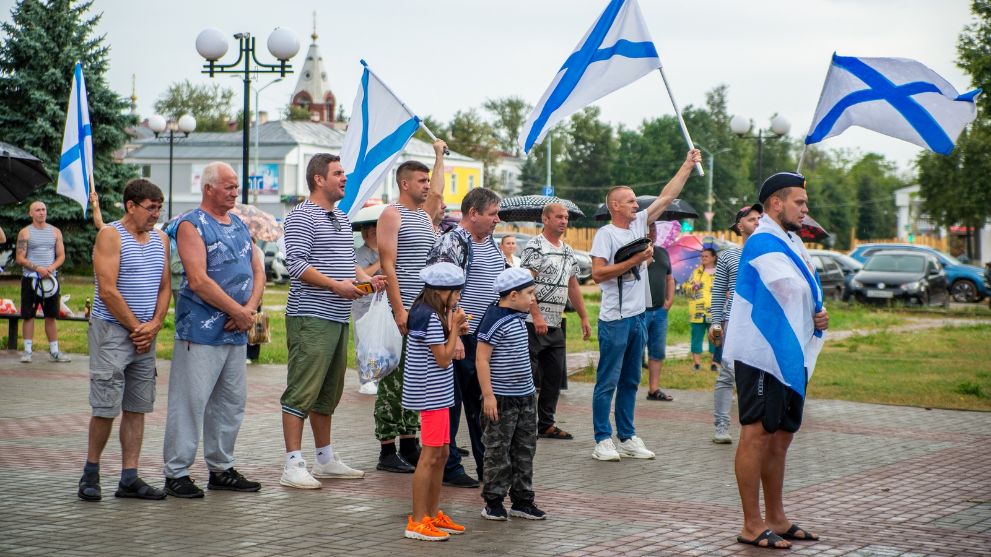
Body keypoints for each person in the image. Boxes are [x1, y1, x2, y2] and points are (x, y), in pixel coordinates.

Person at [723, 172, 828, 549]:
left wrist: (819, 313)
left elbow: (805, 290)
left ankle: (777, 518)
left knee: (782, 436)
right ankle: (752, 524)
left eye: (805, 202)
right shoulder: (763, 240)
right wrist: (810, 304)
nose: (805, 209)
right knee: (757, 433)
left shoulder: (792, 241)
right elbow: (785, 286)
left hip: (788, 350)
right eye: (799, 202)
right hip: (761, 352)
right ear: (775, 204)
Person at [278, 154, 386, 490]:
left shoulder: (340, 217)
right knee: (301, 390)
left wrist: (367, 280)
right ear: (318, 179)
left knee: (328, 393)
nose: (344, 179)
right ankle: (293, 464)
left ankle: (324, 460)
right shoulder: (300, 217)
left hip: (339, 316)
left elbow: (347, 262)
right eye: (338, 173)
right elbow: (295, 264)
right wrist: (335, 285)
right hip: (311, 316)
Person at [589, 149, 701, 461]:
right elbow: (598, 274)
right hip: (614, 320)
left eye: (636, 201)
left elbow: (667, 197)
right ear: (615, 206)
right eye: (630, 201)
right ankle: (602, 439)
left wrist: (688, 164)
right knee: (607, 379)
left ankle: (626, 436)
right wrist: (637, 259)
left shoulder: (639, 223)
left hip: (639, 317)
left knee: (630, 379)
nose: (636, 204)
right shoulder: (605, 235)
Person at [162, 161, 265, 498]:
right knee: (190, 402)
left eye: (236, 186)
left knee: (230, 402)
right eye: (229, 186)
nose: (236, 191)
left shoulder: (237, 223)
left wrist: (248, 311)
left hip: (235, 330)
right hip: (201, 331)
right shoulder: (192, 225)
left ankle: (221, 468)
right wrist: (239, 311)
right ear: (208, 188)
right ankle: (176, 472)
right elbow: (198, 280)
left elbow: (257, 269)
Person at [78, 179, 172, 502]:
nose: (156, 215)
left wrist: (156, 324)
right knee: (105, 406)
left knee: (137, 407)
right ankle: (91, 472)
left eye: (159, 208)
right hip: (113, 332)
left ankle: (129, 478)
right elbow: (107, 289)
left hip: (146, 334)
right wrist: (137, 328)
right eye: (151, 208)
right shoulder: (110, 236)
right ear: (130, 206)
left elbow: (164, 288)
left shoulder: (161, 239)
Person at [375, 140, 447, 473]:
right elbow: (387, 264)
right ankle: (387, 449)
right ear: (405, 184)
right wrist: (399, 309)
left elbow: (439, 191)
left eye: (428, 180)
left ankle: (409, 441)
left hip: (425, 311)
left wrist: (438, 156)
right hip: (403, 309)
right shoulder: (392, 213)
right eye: (421, 180)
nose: (427, 186)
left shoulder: (424, 216)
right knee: (394, 378)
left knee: (416, 378)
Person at [429, 187, 505, 487]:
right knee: (454, 404)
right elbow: (441, 293)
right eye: (492, 214)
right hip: (461, 335)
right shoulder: (452, 242)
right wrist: (455, 334)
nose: (497, 219)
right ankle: (449, 467)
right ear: (473, 214)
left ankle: (487, 466)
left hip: (484, 337)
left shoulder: (491, 243)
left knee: (481, 405)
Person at [402, 262, 469, 541]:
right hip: (431, 394)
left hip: (438, 392)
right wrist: (454, 328)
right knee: (429, 457)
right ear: (444, 291)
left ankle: (431, 514)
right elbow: (442, 359)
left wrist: (454, 332)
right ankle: (417, 521)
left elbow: (441, 353)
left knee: (441, 454)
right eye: (457, 293)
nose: (459, 298)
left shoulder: (430, 312)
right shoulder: (429, 316)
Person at [477, 267, 545, 521]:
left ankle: (522, 501)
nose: (533, 299)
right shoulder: (496, 319)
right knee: (497, 450)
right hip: (502, 399)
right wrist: (489, 395)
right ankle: (493, 501)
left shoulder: (518, 316)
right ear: (513, 295)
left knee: (525, 449)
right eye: (529, 293)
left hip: (525, 396)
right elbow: (482, 359)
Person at [520, 203, 591, 439]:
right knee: (528, 375)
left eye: (566, 217)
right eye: (559, 217)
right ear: (545, 219)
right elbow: (525, 283)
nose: (563, 221)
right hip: (533, 322)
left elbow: (573, 285)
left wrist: (583, 317)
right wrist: (537, 314)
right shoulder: (535, 246)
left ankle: (547, 423)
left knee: (553, 378)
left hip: (556, 322)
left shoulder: (568, 251)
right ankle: (526, 423)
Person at [709, 204, 763, 444]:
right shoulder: (729, 255)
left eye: (760, 218)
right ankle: (721, 426)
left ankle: (753, 425)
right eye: (752, 219)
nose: (757, 222)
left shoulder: (768, 253)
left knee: (759, 374)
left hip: (761, 321)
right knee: (728, 372)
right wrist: (715, 322)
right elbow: (719, 290)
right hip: (733, 320)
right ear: (740, 225)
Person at [15, 200, 70, 363]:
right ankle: (27, 351)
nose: (41, 212)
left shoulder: (55, 232)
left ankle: (54, 352)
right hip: (30, 280)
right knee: (28, 316)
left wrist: (50, 268)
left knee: (51, 316)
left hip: (50, 281)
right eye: (37, 210)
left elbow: (61, 256)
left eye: (44, 209)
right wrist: (37, 268)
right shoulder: (24, 233)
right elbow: (19, 257)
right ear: (30, 213)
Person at [644, 223, 675, 401]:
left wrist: (669, 301)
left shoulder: (663, 252)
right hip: (640, 311)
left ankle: (653, 389)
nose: (652, 232)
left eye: (654, 229)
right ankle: (628, 388)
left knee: (657, 351)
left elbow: (669, 278)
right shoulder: (635, 253)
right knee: (635, 352)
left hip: (660, 311)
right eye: (649, 228)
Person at [354, 223, 382, 395]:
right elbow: (363, 274)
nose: (372, 230)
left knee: (379, 341)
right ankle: (366, 379)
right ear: (363, 233)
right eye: (368, 227)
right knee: (364, 341)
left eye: (375, 227)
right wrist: (380, 261)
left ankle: (379, 376)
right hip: (363, 303)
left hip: (382, 303)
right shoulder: (359, 253)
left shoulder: (387, 249)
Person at [683, 248, 719, 371]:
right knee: (696, 337)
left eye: (706, 256)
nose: (703, 258)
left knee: (715, 337)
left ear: (714, 257)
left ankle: (714, 363)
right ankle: (697, 364)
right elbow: (685, 289)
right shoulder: (696, 272)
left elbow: (727, 287)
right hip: (697, 311)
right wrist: (692, 286)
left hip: (715, 310)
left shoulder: (720, 272)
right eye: (702, 256)